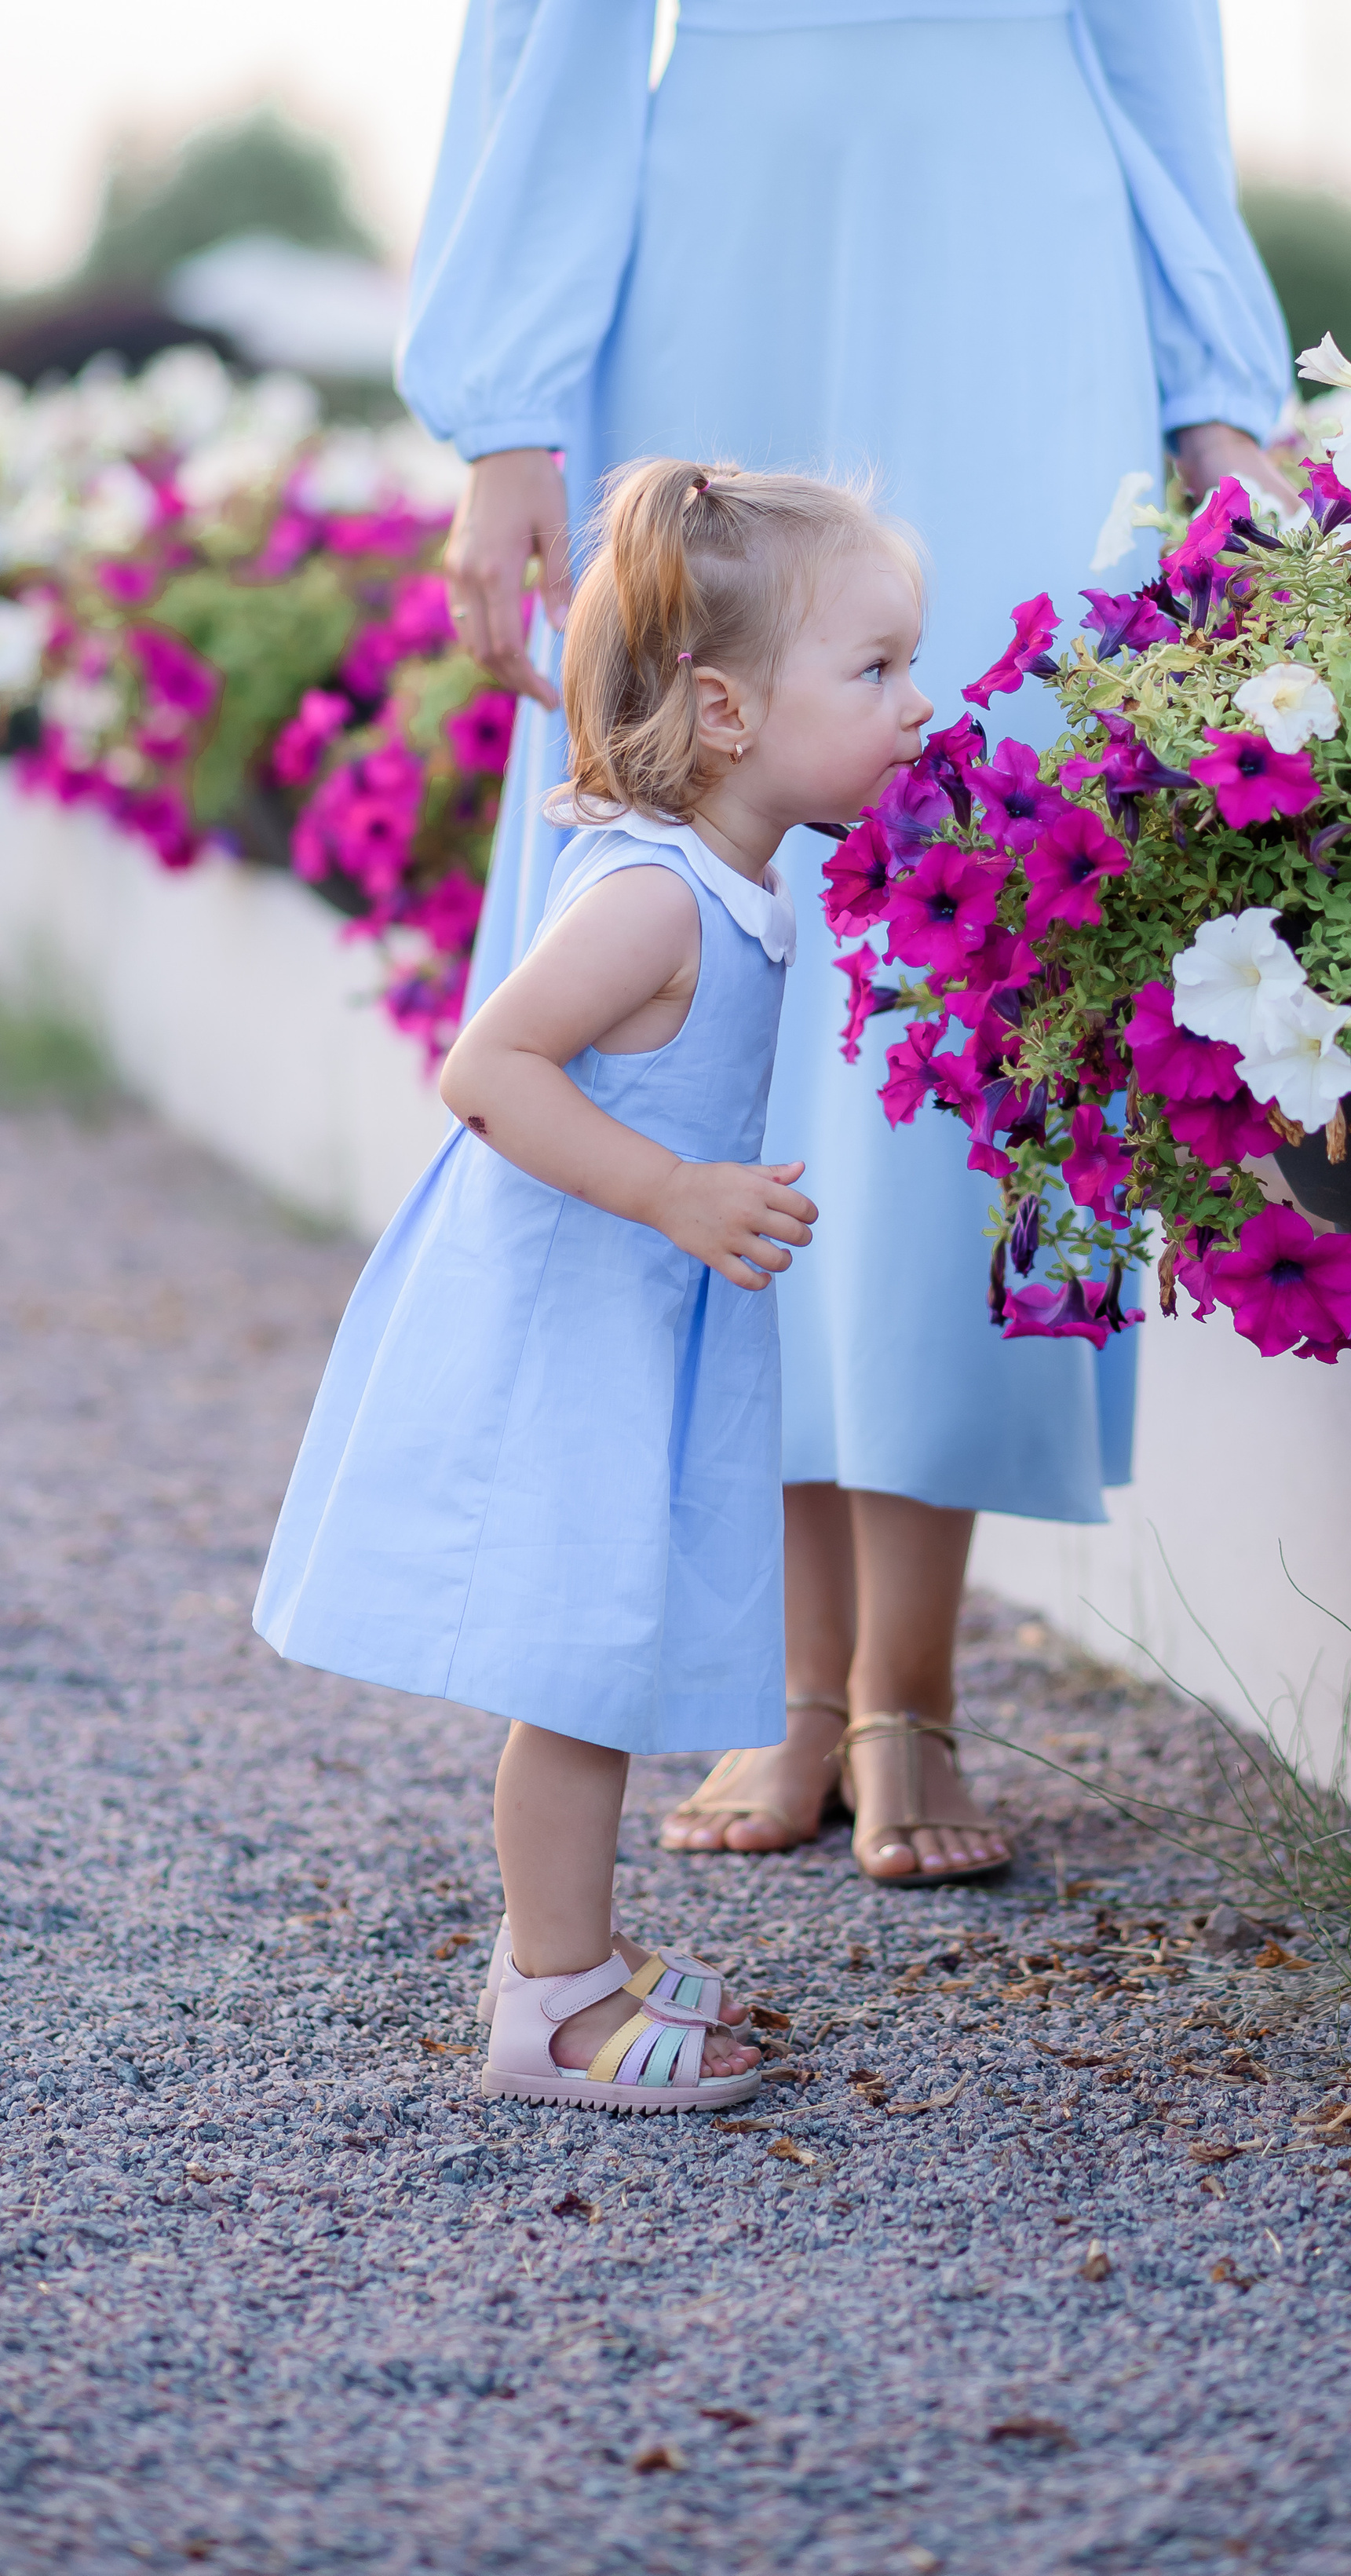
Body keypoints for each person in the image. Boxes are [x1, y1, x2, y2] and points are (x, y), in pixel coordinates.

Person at [400, 0, 1293, 1884]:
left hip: (1027, 244)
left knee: (992, 907)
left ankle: (909, 1683)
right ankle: (782, 1680)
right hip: (718, 215)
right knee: (723, 902)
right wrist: (508, 411)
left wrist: (1220, 385)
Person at [254, 459, 933, 2106]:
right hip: (572, 1332)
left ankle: (575, 1954)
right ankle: (548, 2007)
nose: (917, 705)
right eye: (875, 671)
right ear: (721, 709)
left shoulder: (737, 885)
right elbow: (487, 1069)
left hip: (636, 1324)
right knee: (571, 1674)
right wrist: (671, 1190)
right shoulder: (651, 899)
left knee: (605, 1654)